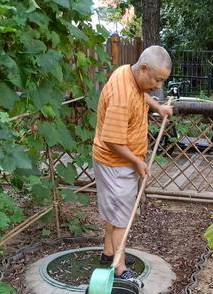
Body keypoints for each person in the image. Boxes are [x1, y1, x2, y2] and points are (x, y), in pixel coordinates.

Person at [92, 45, 173, 280]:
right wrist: (138, 162)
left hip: (119, 163)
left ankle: (108, 254)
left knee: (114, 212)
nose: (159, 86)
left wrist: (157, 106)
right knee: (121, 220)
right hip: (116, 165)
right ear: (144, 68)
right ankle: (120, 270)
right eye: (157, 79)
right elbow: (112, 140)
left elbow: (141, 93)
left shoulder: (128, 74)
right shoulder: (121, 96)